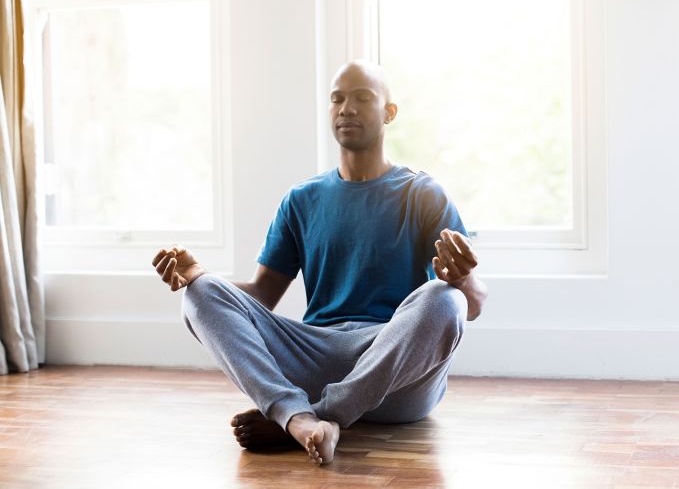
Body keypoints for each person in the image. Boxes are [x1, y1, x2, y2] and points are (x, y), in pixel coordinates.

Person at [151, 60, 488, 465]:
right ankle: (299, 420)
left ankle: (313, 417)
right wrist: (200, 277)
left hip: (394, 370)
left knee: (445, 298)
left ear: (389, 112)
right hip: (316, 356)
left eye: (362, 98)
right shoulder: (302, 199)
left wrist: (461, 278)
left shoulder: (423, 193)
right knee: (198, 294)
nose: (346, 108)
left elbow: (473, 305)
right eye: (337, 99)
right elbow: (262, 296)